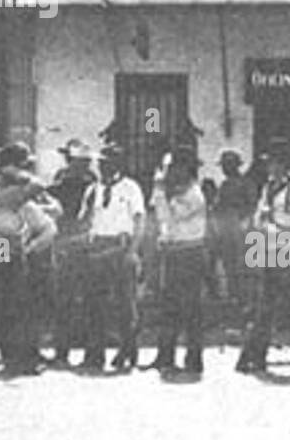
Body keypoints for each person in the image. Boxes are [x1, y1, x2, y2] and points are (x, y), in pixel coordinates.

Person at [0, 141, 60, 376]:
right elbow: (37, 185)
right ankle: (5, 359)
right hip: (1, 245)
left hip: (2, 246)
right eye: (22, 166)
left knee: (9, 305)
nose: (27, 169)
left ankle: (6, 358)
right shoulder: (2, 191)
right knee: (5, 304)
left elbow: (49, 212)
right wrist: (16, 172)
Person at [238, 138, 290, 378]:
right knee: (265, 308)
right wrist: (261, 222)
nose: (269, 168)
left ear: (282, 164)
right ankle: (258, 357)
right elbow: (259, 216)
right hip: (268, 252)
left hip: (289, 253)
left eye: (272, 163)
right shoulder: (268, 188)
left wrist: (274, 223)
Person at [78, 142, 145, 372]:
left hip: (121, 247)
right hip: (98, 248)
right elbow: (85, 220)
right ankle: (95, 353)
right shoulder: (92, 190)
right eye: (101, 163)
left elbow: (139, 220)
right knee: (95, 303)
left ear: (118, 164)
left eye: (108, 163)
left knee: (125, 304)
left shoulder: (130, 188)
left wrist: (133, 251)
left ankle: (127, 350)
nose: (103, 167)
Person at [146, 146, 208, 375]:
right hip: (175, 252)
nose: (168, 173)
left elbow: (167, 215)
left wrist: (159, 189)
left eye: (172, 168)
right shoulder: (177, 192)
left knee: (191, 309)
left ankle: (194, 359)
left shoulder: (193, 195)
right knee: (169, 307)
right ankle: (165, 356)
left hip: (190, 254)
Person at [47, 139, 98, 368]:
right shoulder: (83, 181)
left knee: (76, 300)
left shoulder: (86, 184)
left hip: (77, 244)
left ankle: (69, 352)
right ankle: (69, 351)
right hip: (71, 243)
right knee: (69, 300)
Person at [211, 150, 259, 333]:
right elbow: (218, 208)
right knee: (231, 274)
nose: (224, 169)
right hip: (226, 234)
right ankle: (236, 315)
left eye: (226, 165)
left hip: (241, 235)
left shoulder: (247, 184)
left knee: (243, 275)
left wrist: (244, 225)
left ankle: (247, 316)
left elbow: (252, 208)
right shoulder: (224, 186)